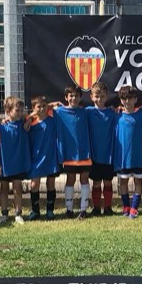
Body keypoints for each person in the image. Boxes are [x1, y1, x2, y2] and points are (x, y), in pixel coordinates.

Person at [53, 85, 92, 218]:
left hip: (84, 152)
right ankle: (69, 209)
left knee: (84, 179)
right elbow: (40, 109)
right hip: (69, 153)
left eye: (76, 96)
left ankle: (83, 209)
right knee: (70, 179)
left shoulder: (85, 112)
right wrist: (53, 104)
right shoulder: (59, 111)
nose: (73, 98)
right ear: (66, 97)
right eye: (71, 96)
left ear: (80, 97)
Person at [0, 96, 31, 225]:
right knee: (4, 188)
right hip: (5, 163)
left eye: (21, 110)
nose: (20, 113)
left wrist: (27, 118)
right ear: (8, 111)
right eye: (17, 110)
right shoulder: (1, 127)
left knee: (17, 188)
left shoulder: (24, 124)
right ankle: (4, 213)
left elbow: (33, 115)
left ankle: (18, 213)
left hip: (18, 163)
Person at [113, 85, 142, 219]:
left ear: (135, 99)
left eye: (130, 98)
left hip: (138, 156)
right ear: (121, 100)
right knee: (123, 182)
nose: (127, 101)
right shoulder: (117, 115)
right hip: (123, 157)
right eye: (124, 99)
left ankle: (134, 207)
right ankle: (126, 206)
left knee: (138, 181)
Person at [86, 82, 117, 215]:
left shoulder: (112, 112)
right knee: (96, 182)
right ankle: (96, 208)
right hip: (94, 154)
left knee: (108, 182)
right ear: (91, 97)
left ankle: (108, 208)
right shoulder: (87, 112)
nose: (99, 99)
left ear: (107, 96)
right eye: (97, 96)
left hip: (109, 154)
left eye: (102, 96)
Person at [27, 95, 58, 220]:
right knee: (34, 184)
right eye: (38, 107)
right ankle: (35, 210)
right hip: (36, 158)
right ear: (33, 108)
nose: (42, 109)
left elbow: (59, 105)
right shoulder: (31, 123)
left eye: (44, 106)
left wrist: (50, 106)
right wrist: (30, 117)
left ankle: (50, 210)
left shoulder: (53, 120)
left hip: (51, 157)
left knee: (51, 183)